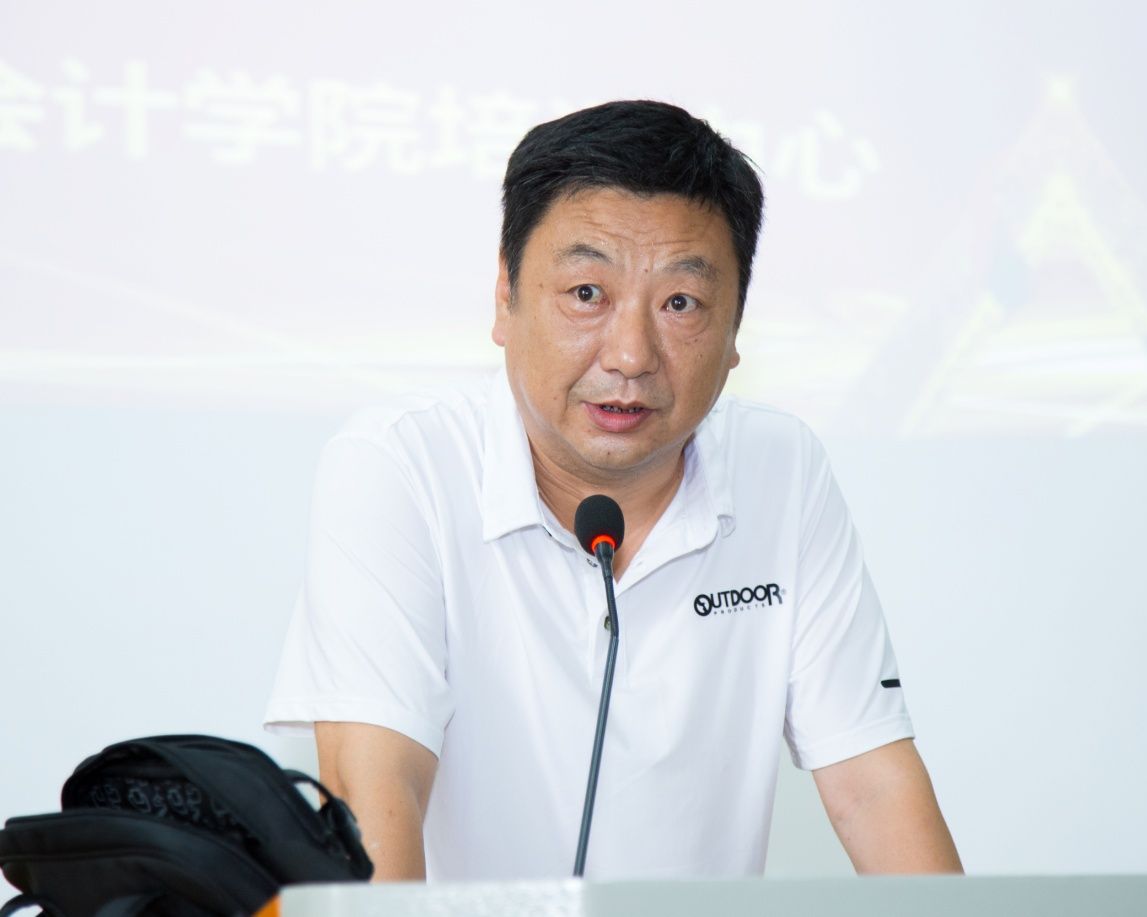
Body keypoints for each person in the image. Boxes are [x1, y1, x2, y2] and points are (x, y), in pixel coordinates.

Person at [264, 100, 962, 881]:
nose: (630, 355)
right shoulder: (401, 465)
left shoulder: (781, 467)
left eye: (679, 303)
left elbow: (871, 785)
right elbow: (375, 784)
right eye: (586, 293)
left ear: (736, 329)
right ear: (504, 296)